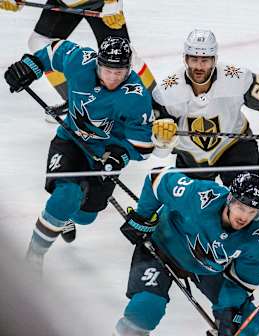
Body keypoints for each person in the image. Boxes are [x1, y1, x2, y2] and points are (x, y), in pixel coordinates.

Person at [3, 36, 155, 270]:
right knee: (66, 196)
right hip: (70, 141)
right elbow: (54, 50)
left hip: (104, 156)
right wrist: (31, 66)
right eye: (107, 70)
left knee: (85, 217)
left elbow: (142, 146)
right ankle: (33, 258)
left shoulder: (137, 97)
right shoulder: (80, 60)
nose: (113, 78)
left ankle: (64, 218)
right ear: (98, 64)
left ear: (129, 69)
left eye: (120, 72)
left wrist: (119, 155)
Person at [151, 29, 259, 186]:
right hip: (191, 155)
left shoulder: (235, 77)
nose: (199, 66)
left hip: (234, 144)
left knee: (248, 199)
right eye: (194, 59)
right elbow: (160, 150)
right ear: (185, 59)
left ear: (214, 60)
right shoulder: (167, 90)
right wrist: (162, 138)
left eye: (205, 60)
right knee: (191, 212)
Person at [113, 170, 259, 336]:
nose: (244, 217)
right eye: (240, 207)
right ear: (230, 200)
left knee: (247, 325)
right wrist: (142, 216)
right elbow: (157, 178)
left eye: (252, 212)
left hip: (208, 268)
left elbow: (240, 283)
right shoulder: (200, 196)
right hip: (162, 246)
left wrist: (229, 313)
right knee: (145, 310)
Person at [0, 0, 156, 101]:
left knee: (123, 53)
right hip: (64, 1)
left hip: (100, 3)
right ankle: (75, 104)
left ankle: (158, 107)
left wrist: (113, 4)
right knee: (39, 42)